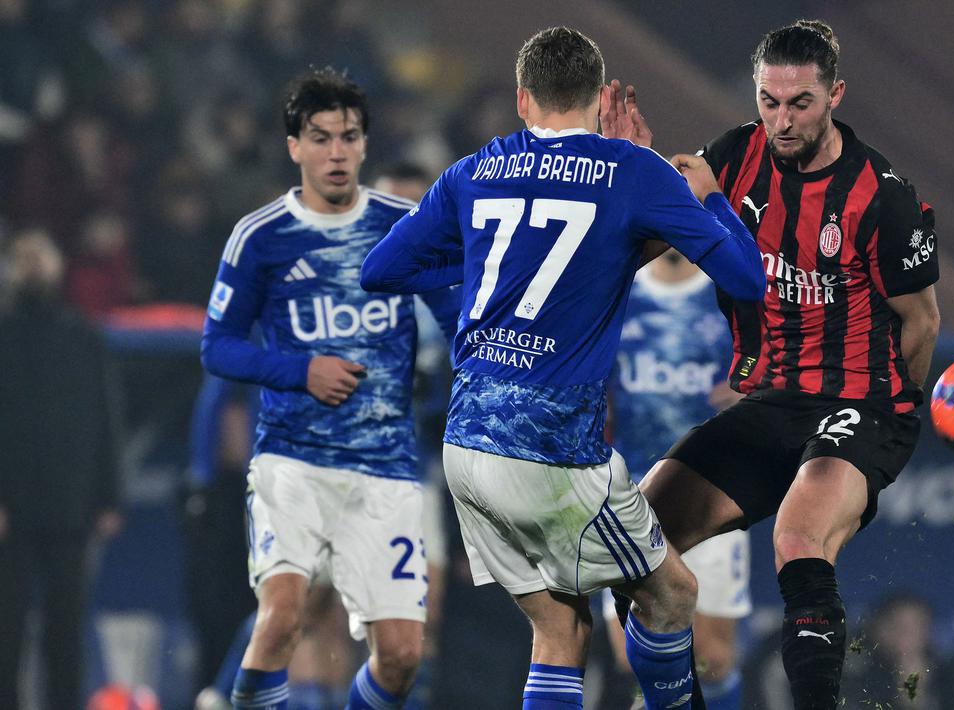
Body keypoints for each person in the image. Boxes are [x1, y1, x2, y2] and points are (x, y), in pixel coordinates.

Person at [360, 26, 765, 709]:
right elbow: (747, 281)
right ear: (597, 94)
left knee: (558, 630)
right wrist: (712, 197)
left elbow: (381, 269)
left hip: (466, 447)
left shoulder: (473, 170)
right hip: (552, 456)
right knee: (672, 597)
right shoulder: (632, 173)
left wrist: (495, 265)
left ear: (522, 100)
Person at [622, 20, 941, 709]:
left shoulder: (882, 196)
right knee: (633, 542)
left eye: (798, 103)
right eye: (769, 101)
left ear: (834, 96)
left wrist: (893, 426)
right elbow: (651, 232)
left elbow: (921, 320)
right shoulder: (736, 155)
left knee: (797, 536)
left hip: (863, 402)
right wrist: (630, 173)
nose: (781, 119)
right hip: (771, 401)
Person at [199, 67, 460, 710]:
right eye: (320, 138)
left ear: (365, 144)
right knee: (284, 617)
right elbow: (217, 347)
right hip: (294, 463)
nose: (336, 152)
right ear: (294, 147)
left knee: (400, 655)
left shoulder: (407, 226)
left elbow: (460, 318)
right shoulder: (259, 237)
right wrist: (300, 371)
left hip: (387, 470)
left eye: (347, 137)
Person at [601, 249, 750, 709]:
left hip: (712, 489)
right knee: (633, 656)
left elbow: (771, 372)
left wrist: (751, 391)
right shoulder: (617, 290)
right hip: (629, 491)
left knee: (711, 658)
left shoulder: (730, 292)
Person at [0, 229, 124, 710]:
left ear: (58, 266)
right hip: (10, 513)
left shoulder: (81, 337)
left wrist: (108, 497)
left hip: (70, 508)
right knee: (6, 633)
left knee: (65, 630)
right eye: (22, 256)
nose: (33, 265)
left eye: (41, 255)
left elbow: (104, 417)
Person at [841, 593, 939, 710]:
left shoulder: (943, 674)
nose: (908, 637)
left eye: (918, 628)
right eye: (900, 627)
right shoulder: (854, 670)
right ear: (879, 629)